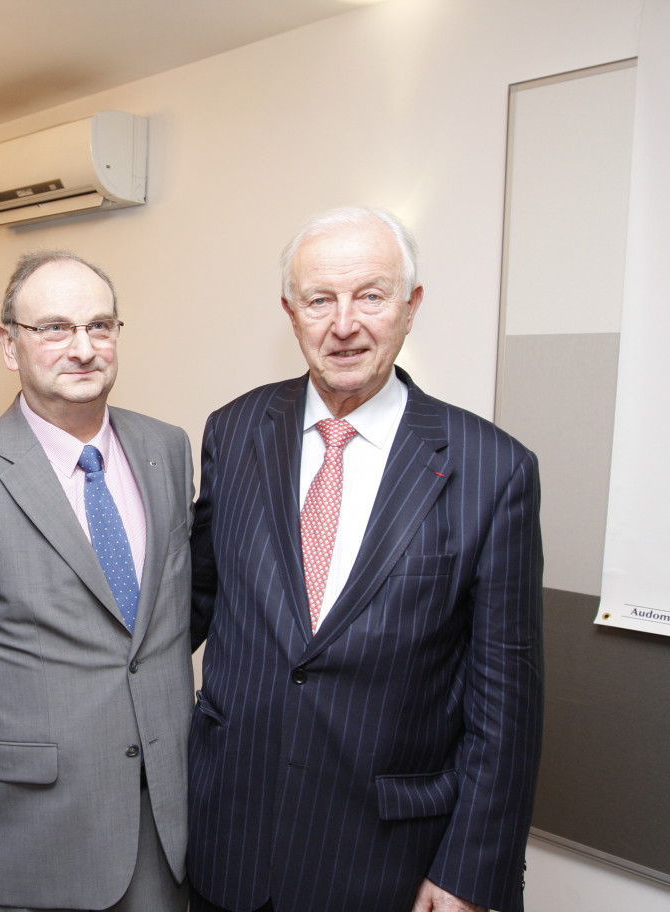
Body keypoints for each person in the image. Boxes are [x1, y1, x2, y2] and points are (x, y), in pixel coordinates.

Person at [187, 207, 543, 912]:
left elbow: (506, 701)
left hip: (387, 862)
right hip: (231, 837)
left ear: (410, 307)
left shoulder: (491, 468)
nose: (343, 323)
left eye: (371, 295)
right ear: (292, 313)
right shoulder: (234, 432)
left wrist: (470, 870)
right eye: (320, 299)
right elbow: (190, 606)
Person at [0, 251, 194, 911]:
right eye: (56, 329)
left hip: (162, 820)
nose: (84, 348)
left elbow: (165, 618)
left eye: (101, 326)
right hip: (28, 832)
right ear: (10, 345)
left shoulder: (168, 451)